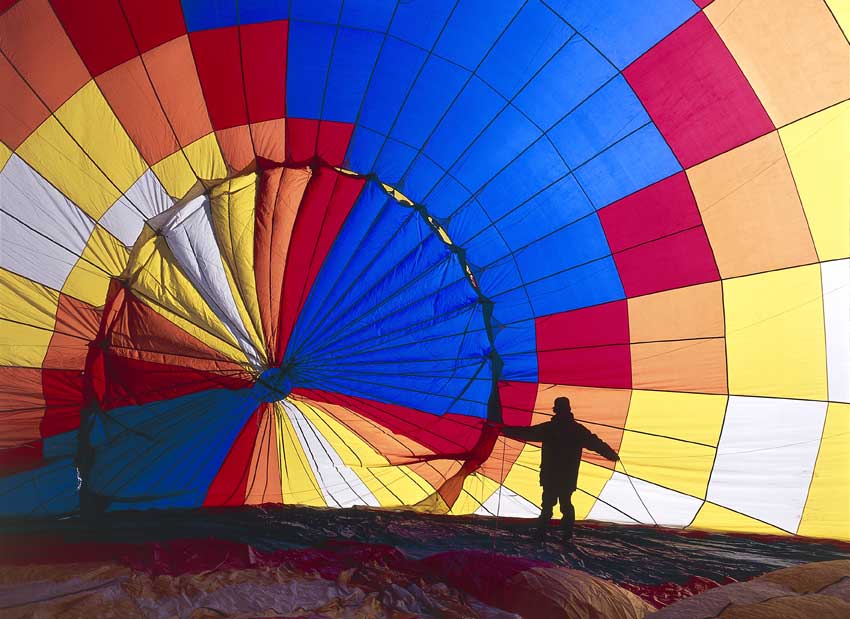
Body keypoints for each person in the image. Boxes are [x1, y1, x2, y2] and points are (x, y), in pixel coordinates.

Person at [496, 397, 618, 543]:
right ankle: (567, 534)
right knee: (565, 503)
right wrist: (611, 455)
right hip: (567, 475)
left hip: (550, 474)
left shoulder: (549, 428)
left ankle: (541, 534)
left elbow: (526, 433)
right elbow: (597, 444)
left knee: (547, 504)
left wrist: (504, 430)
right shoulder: (577, 430)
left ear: (555, 409)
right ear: (569, 409)